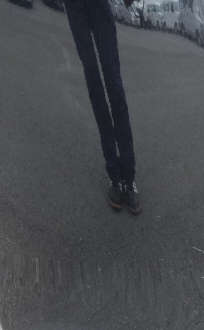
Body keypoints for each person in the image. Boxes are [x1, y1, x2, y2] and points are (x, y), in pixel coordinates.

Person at [64, 0, 140, 214]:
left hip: (99, 5)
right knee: (94, 85)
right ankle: (114, 177)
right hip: (74, 8)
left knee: (114, 85)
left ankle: (129, 178)